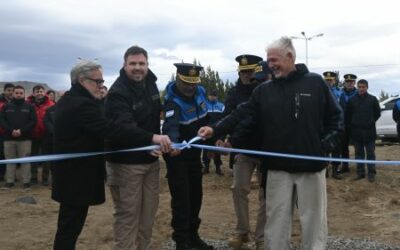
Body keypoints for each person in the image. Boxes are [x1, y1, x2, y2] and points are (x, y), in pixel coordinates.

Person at [198, 36, 343, 250]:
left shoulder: (315, 83)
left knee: (313, 221)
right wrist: (215, 129)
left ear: (290, 57)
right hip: (277, 169)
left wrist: (324, 147)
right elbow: (241, 113)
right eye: (269, 60)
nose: (270, 65)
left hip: (311, 168)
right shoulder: (264, 91)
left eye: (274, 60)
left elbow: (336, 119)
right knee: (275, 223)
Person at [104, 45, 171, 250]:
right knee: (128, 215)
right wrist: (152, 139)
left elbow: (157, 114)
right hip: (126, 165)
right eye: (132, 64)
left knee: (148, 213)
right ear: (124, 66)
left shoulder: (150, 83)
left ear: (147, 64)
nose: (137, 68)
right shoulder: (117, 93)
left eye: (141, 63)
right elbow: (124, 127)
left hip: (151, 162)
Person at [162, 63, 214, 250]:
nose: (189, 87)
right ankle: (181, 241)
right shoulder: (172, 102)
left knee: (196, 197)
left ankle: (193, 236)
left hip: (194, 156)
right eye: (185, 82)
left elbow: (208, 117)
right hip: (178, 158)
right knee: (182, 201)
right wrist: (174, 143)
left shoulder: (199, 92)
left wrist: (216, 138)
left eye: (193, 83)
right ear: (178, 78)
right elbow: (170, 126)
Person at [222, 54, 266, 250]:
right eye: (244, 71)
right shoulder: (233, 93)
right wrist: (221, 136)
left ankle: (262, 237)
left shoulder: (265, 90)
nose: (247, 75)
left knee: (266, 194)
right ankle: (242, 231)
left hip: (266, 149)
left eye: (250, 71)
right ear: (239, 72)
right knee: (238, 188)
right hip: (243, 148)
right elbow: (227, 116)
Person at [0, 85, 36, 189]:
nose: (18, 95)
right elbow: (2, 120)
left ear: (24, 94)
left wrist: (21, 130)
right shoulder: (6, 107)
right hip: (8, 138)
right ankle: (10, 181)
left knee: (25, 161)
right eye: (16, 93)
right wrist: (11, 130)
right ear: (13, 94)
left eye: (21, 93)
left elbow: (33, 121)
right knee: (10, 160)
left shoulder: (30, 106)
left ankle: (26, 182)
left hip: (25, 138)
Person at [346, 79, 381, 182]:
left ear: (367, 87)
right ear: (357, 87)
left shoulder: (373, 99)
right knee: (359, 153)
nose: (361, 89)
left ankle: (371, 173)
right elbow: (348, 115)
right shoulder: (352, 100)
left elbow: (377, 113)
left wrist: (370, 121)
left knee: (370, 153)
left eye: (363, 87)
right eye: (360, 87)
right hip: (356, 132)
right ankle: (360, 173)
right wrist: (353, 123)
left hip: (369, 131)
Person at [26, 84, 55, 185]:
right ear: (33, 93)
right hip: (32, 134)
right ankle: (33, 177)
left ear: (44, 92)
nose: (39, 93)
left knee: (46, 157)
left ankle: (45, 178)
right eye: (37, 91)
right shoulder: (28, 104)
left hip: (46, 134)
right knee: (33, 157)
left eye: (41, 91)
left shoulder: (51, 104)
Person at [323, 71, 343, 179]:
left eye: (330, 80)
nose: (328, 82)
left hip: (335, 125)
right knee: (324, 148)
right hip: (324, 124)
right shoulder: (320, 91)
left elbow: (343, 109)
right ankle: (325, 170)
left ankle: (335, 171)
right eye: (326, 80)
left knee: (336, 148)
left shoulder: (339, 93)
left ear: (334, 81)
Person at [202, 89, 224, 175]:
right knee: (206, 150)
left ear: (217, 96)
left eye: (214, 95)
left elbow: (224, 119)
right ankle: (206, 168)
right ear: (208, 96)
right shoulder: (204, 106)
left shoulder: (221, 106)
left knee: (217, 151)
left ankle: (218, 168)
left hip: (217, 132)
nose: (212, 97)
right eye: (211, 95)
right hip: (206, 132)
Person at [338, 74, 358, 173]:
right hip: (343, 124)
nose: (349, 84)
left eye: (351, 82)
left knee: (357, 146)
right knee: (343, 147)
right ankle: (345, 166)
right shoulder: (340, 93)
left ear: (354, 83)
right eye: (347, 82)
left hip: (355, 125)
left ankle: (360, 167)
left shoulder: (358, 93)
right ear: (344, 83)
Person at [0, 83, 15, 181]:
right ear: (4, 91)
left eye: (12, 90)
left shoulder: (16, 103)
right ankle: (1, 176)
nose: (10, 92)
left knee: (9, 155)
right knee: (1, 154)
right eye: (8, 90)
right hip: (1, 132)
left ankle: (10, 176)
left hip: (11, 133)